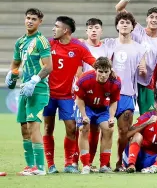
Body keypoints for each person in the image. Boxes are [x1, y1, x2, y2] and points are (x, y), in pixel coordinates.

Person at [42, 16, 96, 174]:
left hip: (67, 95)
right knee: (47, 127)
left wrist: (109, 70)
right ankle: (50, 164)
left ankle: (69, 163)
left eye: (56, 26)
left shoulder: (78, 47)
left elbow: (94, 62)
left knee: (72, 128)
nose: (53, 29)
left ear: (65, 30)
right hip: (48, 94)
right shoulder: (48, 44)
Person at [5, 8, 53, 176]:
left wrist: (34, 80)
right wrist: (12, 75)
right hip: (25, 89)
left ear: (40, 22)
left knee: (33, 126)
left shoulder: (41, 41)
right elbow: (16, 64)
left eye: (34, 19)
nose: (30, 21)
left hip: (38, 89)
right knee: (24, 128)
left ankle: (40, 168)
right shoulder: (20, 42)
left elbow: (49, 67)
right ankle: (30, 166)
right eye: (28, 18)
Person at [115, 0, 157, 114]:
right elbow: (119, 8)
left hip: (146, 84)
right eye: (151, 17)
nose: (154, 19)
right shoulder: (137, 29)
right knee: (123, 117)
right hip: (129, 79)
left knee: (147, 119)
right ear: (147, 19)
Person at [102, 12, 149, 171]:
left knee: (124, 131)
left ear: (133, 27)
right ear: (117, 26)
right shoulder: (108, 44)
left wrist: (143, 69)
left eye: (128, 23)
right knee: (107, 129)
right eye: (122, 22)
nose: (124, 25)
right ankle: (104, 163)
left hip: (127, 94)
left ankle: (119, 162)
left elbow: (144, 71)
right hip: (107, 94)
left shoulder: (139, 48)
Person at [74, 57, 121, 174]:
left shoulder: (115, 82)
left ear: (110, 70)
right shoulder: (84, 79)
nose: (103, 75)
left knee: (109, 129)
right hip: (86, 107)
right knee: (83, 128)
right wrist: (84, 116)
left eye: (106, 72)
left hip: (102, 109)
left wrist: (111, 117)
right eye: (100, 71)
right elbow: (79, 99)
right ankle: (85, 165)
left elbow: (114, 101)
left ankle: (104, 165)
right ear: (95, 70)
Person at [123, 93, 157, 173]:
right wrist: (147, 123)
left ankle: (153, 168)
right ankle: (131, 165)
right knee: (138, 135)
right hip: (136, 155)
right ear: (155, 104)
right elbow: (127, 135)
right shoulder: (146, 116)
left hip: (152, 159)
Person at [82, 18, 108, 171]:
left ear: (101, 31)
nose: (93, 30)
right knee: (79, 128)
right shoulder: (81, 46)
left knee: (96, 129)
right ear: (86, 31)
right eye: (90, 27)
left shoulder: (106, 48)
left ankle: (91, 162)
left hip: (100, 93)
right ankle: (72, 162)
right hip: (83, 93)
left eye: (96, 27)